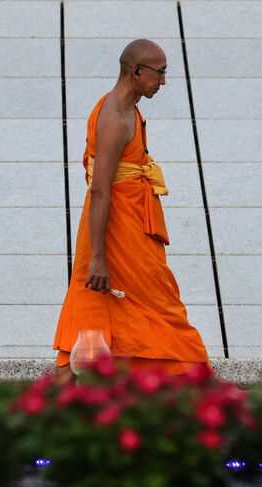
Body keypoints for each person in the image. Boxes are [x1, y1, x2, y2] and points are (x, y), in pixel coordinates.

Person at [52, 39, 211, 386]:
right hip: (113, 230)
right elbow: (99, 189)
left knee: (152, 302)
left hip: (131, 223)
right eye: (160, 73)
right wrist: (98, 258)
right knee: (144, 307)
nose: (163, 81)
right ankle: (188, 380)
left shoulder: (129, 108)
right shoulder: (115, 117)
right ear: (136, 71)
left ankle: (125, 390)